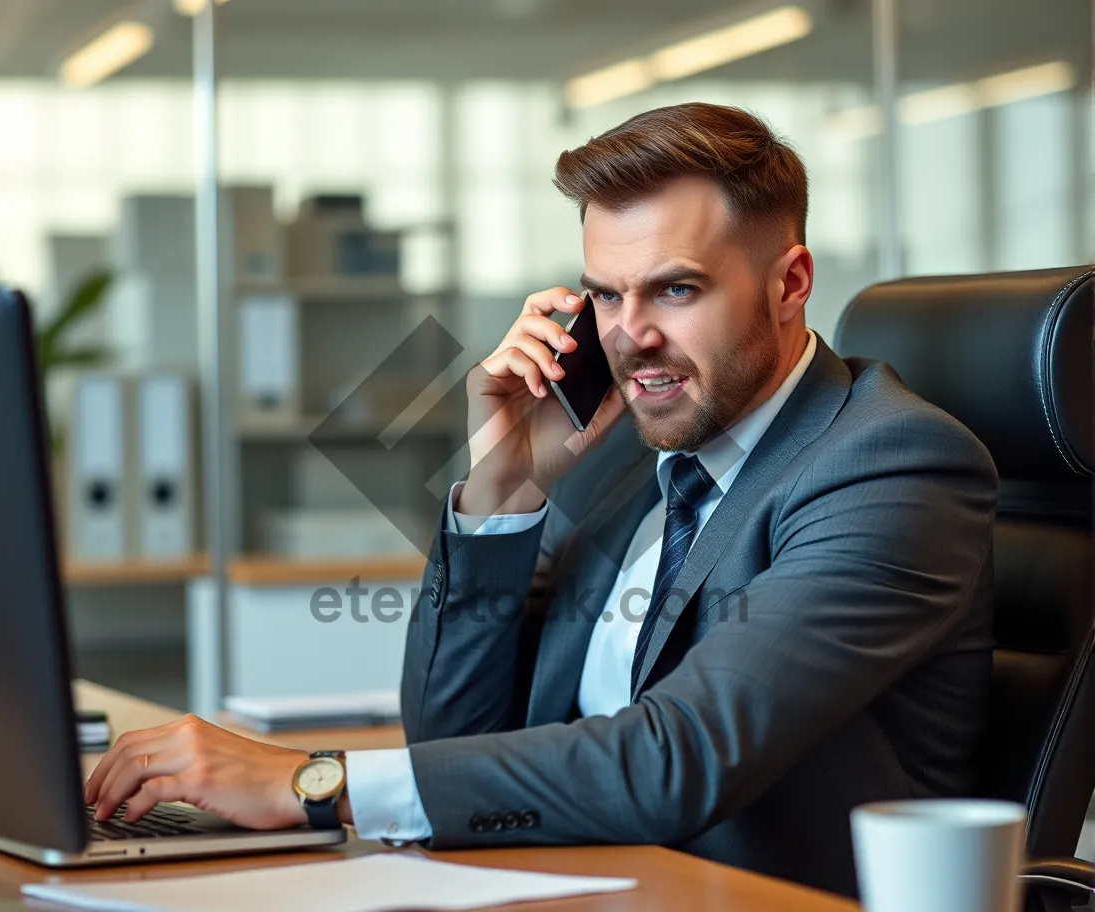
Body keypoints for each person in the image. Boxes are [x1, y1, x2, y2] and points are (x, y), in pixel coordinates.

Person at [85, 102, 998, 897]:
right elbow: (450, 729)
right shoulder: (621, 454)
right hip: (574, 884)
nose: (631, 336)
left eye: (675, 290)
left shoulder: (889, 467)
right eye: (605, 294)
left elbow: (677, 760)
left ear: (790, 284)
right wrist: (504, 489)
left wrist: (314, 782)